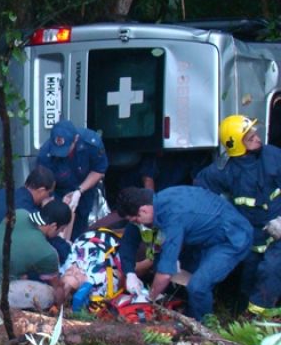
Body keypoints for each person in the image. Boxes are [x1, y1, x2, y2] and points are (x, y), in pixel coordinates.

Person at [116, 186, 252, 321]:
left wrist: (149, 298)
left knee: (198, 286)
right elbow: (129, 241)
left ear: (144, 210)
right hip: (204, 236)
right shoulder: (155, 202)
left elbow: (165, 274)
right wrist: (130, 273)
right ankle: (187, 311)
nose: (137, 224)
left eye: (136, 220)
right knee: (163, 265)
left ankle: (205, 326)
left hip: (231, 238)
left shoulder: (172, 217)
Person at [194, 115, 281, 315]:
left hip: (278, 229)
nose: (257, 138)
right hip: (252, 236)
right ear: (237, 146)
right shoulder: (225, 170)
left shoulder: (273, 156)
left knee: (272, 269)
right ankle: (241, 318)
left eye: (255, 134)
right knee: (248, 278)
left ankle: (258, 319)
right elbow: (200, 189)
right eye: (250, 138)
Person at [0, 200, 72, 309]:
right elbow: (57, 289)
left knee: (22, 275)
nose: (61, 233)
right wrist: (62, 301)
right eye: (61, 229)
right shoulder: (48, 252)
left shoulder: (19, 213)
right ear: (53, 226)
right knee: (49, 294)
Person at [37, 119, 109, 240]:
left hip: (84, 189)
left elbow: (99, 171)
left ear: (75, 139)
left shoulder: (91, 143)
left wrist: (79, 191)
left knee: (81, 229)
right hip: (58, 192)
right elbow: (44, 187)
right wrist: (55, 207)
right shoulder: (46, 154)